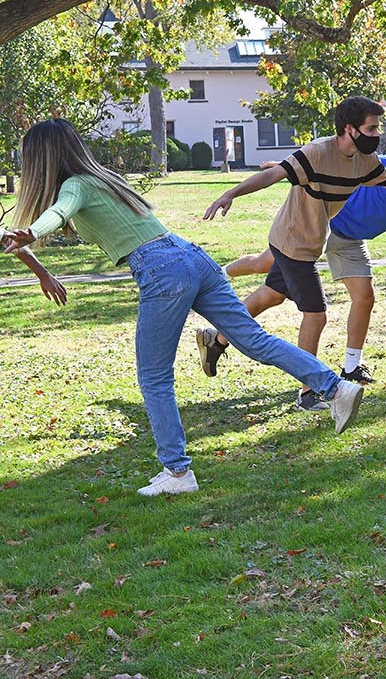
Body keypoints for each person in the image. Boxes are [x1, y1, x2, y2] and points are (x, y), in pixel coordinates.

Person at [1, 119, 365, 497]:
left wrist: (33, 232)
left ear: (41, 157)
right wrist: (39, 261)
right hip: (190, 255)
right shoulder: (102, 178)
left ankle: (177, 473)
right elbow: (55, 215)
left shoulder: (75, 186)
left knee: (154, 376)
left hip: (161, 270)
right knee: (253, 339)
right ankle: (334, 388)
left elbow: (59, 212)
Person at [201, 97, 386, 410]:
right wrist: (232, 192)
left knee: (273, 295)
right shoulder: (320, 152)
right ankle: (307, 393)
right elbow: (276, 175)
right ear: (351, 130)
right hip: (299, 239)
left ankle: (217, 338)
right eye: (372, 128)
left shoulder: (367, 161)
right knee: (313, 312)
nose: (377, 134)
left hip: (324, 240)